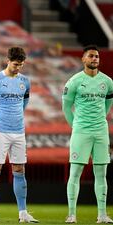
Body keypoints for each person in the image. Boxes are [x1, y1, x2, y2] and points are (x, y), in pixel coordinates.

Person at [0, 47, 38, 223]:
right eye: (15, 64)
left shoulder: (25, 82)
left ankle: (23, 214)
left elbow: (24, 103)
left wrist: (15, 121)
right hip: (0, 132)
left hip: (19, 132)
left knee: (19, 170)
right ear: (8, 60)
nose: (18, 68)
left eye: (21, 65)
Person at [62, 45, 113, 224]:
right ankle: (71, 215)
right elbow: (66, 107)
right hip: (81, 132)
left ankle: (102, 215)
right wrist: (75, 126)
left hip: (101, 132)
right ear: (83, 59)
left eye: (97, 56)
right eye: (91, 56)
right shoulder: (74, 81)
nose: (95, 59)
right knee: (75, 172)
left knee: (101, 173)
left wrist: (99, 122)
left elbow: (108, 105)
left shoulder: (107, 82)